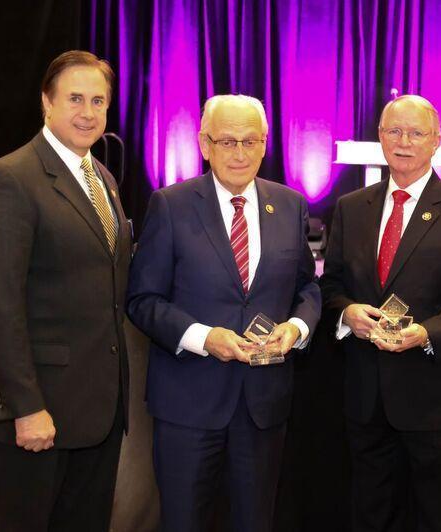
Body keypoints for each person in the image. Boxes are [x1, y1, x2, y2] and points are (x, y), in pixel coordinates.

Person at [125, 94, 321, 532]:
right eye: (227, 141)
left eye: (250, 141)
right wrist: (202, 337)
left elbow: (306, 285)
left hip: (263, 405)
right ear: (203, 144)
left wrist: (297, 327)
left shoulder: (290, 204)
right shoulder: (170, 205)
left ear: (266, 144)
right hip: (188, 405)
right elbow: (142, 299)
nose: (239, 153)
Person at [320, 95, 441, 531]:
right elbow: (330, 287)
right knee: (371, 517)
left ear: (437, 142)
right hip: (366, 401)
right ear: (380, 137)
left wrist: (426, 333)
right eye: (394, 131)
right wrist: (348, 314)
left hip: (435, 403)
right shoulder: (351, 207)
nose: (404, 142)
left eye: (416, 133)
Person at [0, 50, 131, 531]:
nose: (88, 112)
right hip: (37, 417)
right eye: (75, 98)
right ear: (46, 103)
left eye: (98, 100)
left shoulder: (102, 178)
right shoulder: (10, 179)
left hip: (97, 414)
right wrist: (26, 407)